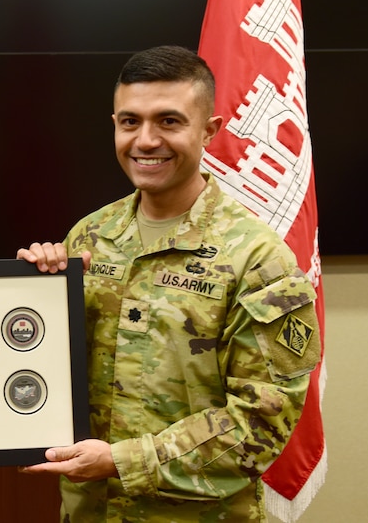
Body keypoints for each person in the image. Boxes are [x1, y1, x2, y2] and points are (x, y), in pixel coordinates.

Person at [17, 45, 320, 521]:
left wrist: (122, 461)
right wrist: (29, 295)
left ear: (210, 131)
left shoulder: (258, 259)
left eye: (169, 122)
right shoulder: (89, 237)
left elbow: (260, 424)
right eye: (130, 121)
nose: (145, 140)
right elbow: (47, 371)